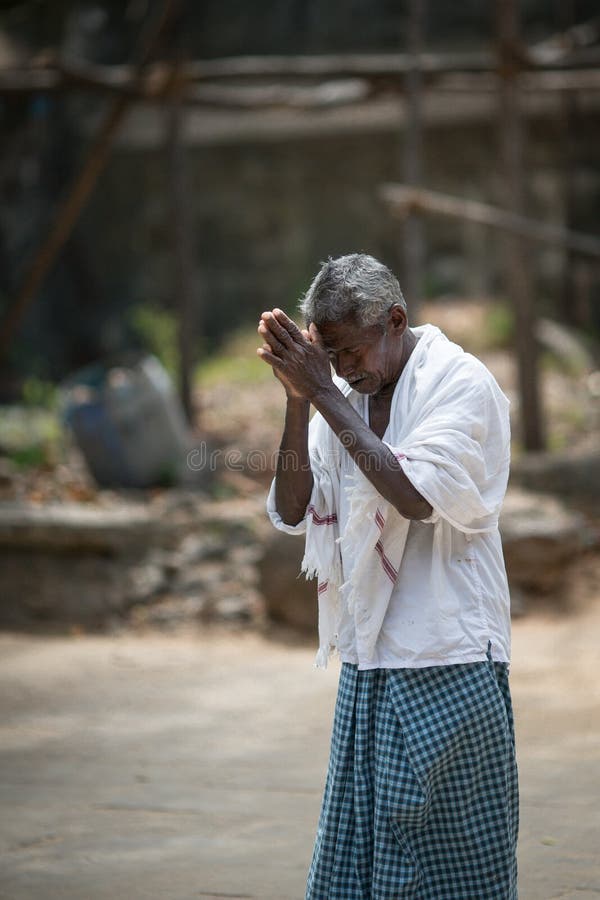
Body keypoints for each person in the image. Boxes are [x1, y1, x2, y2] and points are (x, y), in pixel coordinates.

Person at [257, 253, 518, 899]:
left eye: (349, 352)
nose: (343, 369)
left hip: (448, 656)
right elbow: (292, 510)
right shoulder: (339, 396)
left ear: (394, 320)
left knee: (452, 862)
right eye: (328, 356)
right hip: (368, 658)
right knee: (362, 861)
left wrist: (321, 392)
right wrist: (299, 401)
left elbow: (412, 495)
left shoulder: (461, 382)